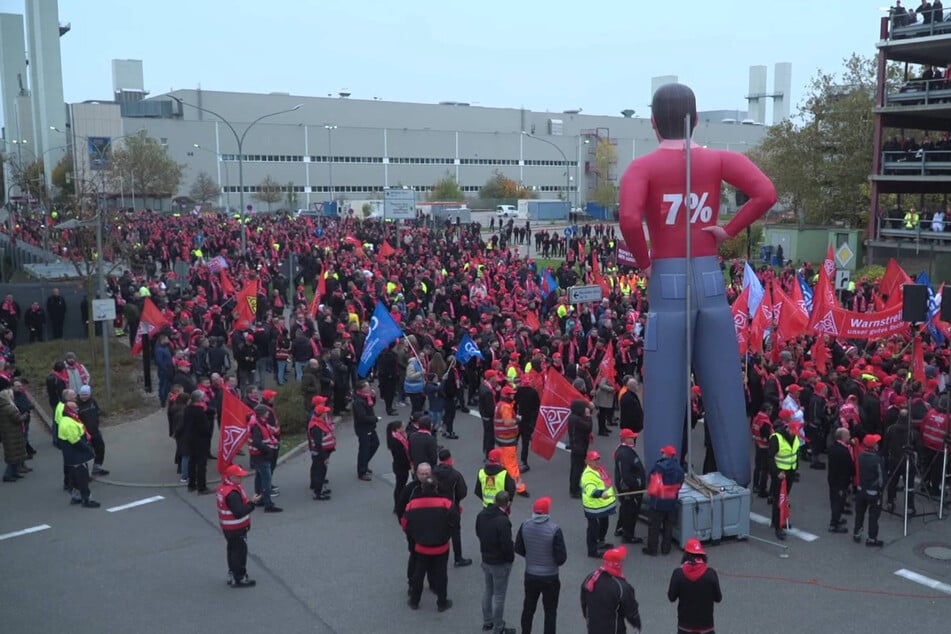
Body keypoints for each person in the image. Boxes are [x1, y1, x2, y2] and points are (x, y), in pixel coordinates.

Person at [618, 82, 776, 488]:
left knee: (666, 393)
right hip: (708, 275)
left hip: (668, 278)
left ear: (653, 123)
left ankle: (662, 487)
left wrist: (645, 263)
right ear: (697, 120)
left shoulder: (643, 167)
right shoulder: (720, 159)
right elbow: (765, 192)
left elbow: (631, 220)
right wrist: (729, 230)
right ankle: (736, 480)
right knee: (724, 383)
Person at [404, 476, 457, 612]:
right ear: (436, 488)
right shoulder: (446, 503)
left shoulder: (412, 505)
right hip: (441, 546)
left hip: (421, 546)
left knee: (418, 574)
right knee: (441, 574)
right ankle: (442, 602)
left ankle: (414, 601)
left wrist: (415, 536)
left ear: (422, 488)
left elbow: (405, 524)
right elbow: (455, 522)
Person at [515, 496, 567, 634]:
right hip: (550, 577)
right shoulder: (554, 530)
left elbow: (519, 548)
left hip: (531, 574)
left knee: (528, 608)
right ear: (547, 512)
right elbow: (561, 558)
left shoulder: (525, 525)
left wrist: (532, 557)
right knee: (550, 611)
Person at [216, 463, 263, 587]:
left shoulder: (224, 489)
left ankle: (232, 573)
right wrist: (252, 503)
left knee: (232, 551)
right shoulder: (232, 494)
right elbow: (239, 512)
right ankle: (240, 577)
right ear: (231, 477)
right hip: (236, 528)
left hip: (228, 527)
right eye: (238, 476)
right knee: (239, 552)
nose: (241, 478)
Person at [476, 489, 516, 634]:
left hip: (486, 558)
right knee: (499, 596)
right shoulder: (503, 521)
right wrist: (510, 558)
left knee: (488, 590)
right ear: (507, 503)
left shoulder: (482, 515)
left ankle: (487, 621)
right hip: (499, 562)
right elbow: (506, 544)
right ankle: (498, 627)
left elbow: (478, 532)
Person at [580, 546, 641, 634]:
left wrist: (588, 617)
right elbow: (632, 612)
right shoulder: (622, 587)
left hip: (593, 628)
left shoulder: (591, 578)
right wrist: (637, 625)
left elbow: (584, 602)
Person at [667, 538, 722, 634]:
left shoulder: (678, 574)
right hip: (706, 628)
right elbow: (718, 598)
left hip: (685, 627)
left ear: (685, 555)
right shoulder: (711, 574)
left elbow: (671, 597)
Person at [433, 447, 472, 567]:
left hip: (436, 507)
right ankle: (458, 557)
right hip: (451, 507)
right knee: (455, 533)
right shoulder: (455, 474)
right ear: (450, 459)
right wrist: (457, 502)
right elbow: (462, 491)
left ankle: (436, 556)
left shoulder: (433, 473)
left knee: (437, 531)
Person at [643, 445, 685, 556]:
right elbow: (680, 484)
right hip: (671, 502)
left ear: (666, 454)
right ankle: (666, 548)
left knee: (654, 526)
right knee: (668, 526)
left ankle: (652, 549)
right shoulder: (679, 469)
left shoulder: (659, 467)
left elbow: (651, 480)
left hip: (658, 502)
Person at [57, 399, 99, 508]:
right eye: (75, 408)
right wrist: (88, 450)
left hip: (71, 455)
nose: (78, 409)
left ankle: (76, 497)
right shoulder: (68, 423)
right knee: (82, 478)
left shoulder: (67, 419)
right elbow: (75, 441)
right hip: (76, 455)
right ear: (70, 409)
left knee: (75, 478)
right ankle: (86, 499)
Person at [768, 413, 801, 540]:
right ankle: (778, 526)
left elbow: (795, 452)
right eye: (793, 431)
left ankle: (777, 521)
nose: (795, 434)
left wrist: (795, 466)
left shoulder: (795, 437)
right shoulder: (777, 438)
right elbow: (770, 458)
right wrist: (777, 472)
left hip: (790, 471)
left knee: (784, 497)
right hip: (780, 472)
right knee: (779, 499)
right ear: (788, 428)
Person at [581, 450, 617, 558]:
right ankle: (592, 551)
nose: (597, 461)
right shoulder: (588, 475)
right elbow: (591, 490)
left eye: (598, 459)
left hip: (602, 505)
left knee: (604, 524)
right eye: (594, 460)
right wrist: (601, 494)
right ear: (589, 462)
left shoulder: (599, 470)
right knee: (593, 529)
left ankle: (601, 542)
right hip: (593, 506)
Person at [494, 385, 528, 497]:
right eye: (512, 393)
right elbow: (508, 422)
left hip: (501, 440)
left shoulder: (501, 405)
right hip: (507, 441)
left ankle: (504, 485)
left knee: (504, 464)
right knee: (512, 466)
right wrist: (517, 420)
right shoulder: (505, 407)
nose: (514, 395)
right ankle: (520, 488)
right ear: (507, 395)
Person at [613, 428, 646, 544]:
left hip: (626, 488)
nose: (633, 439)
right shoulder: (625, 454)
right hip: (630, 489)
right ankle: (628, 535)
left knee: (625, 508)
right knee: (631, 511)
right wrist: (637, 484)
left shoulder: (622, 451)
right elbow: (625, 475)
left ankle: (620, 527)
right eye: (631, 437)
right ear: (625, 439)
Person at [854, 434, 886, 547]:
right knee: (873, 516)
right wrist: (880, 490)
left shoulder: (860, 456)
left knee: (859, 513)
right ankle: (871, 538)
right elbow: (882, 479)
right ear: (874, 446)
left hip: (860, 490)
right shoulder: (877, 460)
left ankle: (857, 533)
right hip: (873, 492)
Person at [249, 404, 282, 511]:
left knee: (259, 478)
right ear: (263, 414)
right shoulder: (257, 426)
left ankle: (259, 499)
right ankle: (268, 504)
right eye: (267, 412)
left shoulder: (259, 423)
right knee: (266, 480)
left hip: (258, 456)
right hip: (261, 456)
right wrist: (268, 450)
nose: (269, 413)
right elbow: (257, 442)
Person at [183, 390, 214, 494]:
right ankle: (202, 487)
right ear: (200, 399)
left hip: (190, 439)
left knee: (192, 462)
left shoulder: (188, 409)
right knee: (201, 464)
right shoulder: (200, 411)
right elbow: (204, 428)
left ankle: (191, 484)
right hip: (200, 441)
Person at [76, 385, 109, 476]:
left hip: (95, 430)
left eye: (86, 394)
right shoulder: (77, 405)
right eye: (82, 395)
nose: (84, 397)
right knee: (87, 452)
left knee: (100, 448)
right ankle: (86, 473)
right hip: (84, 433)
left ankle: (97, 467)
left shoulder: (92, 401)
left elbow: (97, 411)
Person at [827, 427, 854, 534]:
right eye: (848, 435)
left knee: (838, 501)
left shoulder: (835, 447)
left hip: (835, 480)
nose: (849, 437)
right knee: (837, 502)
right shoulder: (841, 451)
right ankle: (834, 524)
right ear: (842, 437)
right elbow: (845, 467)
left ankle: (837, 519)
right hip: (839, 482)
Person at [352, 380, 380, 481]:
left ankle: (364, 462)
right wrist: (375, 419)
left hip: (370, 427)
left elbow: (371, 405)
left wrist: (373, 397)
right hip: (363, 428)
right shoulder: (358, 402)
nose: (370, 388)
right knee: (364, 449)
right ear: (362, 389)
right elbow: (362, 417)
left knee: (375, 444)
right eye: (367, 387)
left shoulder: (366, 397)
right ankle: (362, 471)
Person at [307, 401, 334, 500]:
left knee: (321, 471)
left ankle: (320, 489)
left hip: (320, 452)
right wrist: (325, 457)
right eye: (325, 412)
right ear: (321, 414)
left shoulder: (318, 422)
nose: (326, 413)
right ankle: (318, 493)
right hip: (320, 453)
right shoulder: (316, 426)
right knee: (320, 471)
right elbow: (318, 444)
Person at [0, 383, 27, 482]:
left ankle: (14, 473)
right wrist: (24, 416)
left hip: (9, 433)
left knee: (14, 455)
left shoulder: (3, 406)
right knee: (13, 456)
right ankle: (8, 475)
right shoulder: (8, 407)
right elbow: (17, 418)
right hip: (12, 433)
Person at [567, 399, 593, 498]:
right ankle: (574, 490)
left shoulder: (573, 417)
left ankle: (573, 487)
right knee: (577, 469)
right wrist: (589, 416)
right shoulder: (577, 420)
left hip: (576, 446)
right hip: (579, 447)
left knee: (575, 468)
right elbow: (588, 427)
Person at [387, 419, 412, 512]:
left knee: (400, 485)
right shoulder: (396, 441)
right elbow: (401, 455)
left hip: (400, 466)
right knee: (400, 486)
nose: (404, 428)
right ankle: (398, 506)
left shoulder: (398, 437)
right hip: (401, 466)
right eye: (403, 427)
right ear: (398, 429)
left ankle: (399, 505)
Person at [750, 402, 773, 497]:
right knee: (765, 469)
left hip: (757, 444)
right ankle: (762, 489)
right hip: (764, 447)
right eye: (770, 410)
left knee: (757, 467)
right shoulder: (765, 422)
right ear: (767, 411)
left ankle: (755, 485)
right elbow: (767, 437)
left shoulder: (756, 418)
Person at [479, 370, 499, 457]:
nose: (496, 379)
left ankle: (486, 449)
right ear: (491, 378)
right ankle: (489, 453)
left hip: (484, 415)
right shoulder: (487, 392)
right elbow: (490, 408)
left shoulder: (484, 386)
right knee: (490, 435)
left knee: (487, 434)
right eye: (495, 376)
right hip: (488, 417)